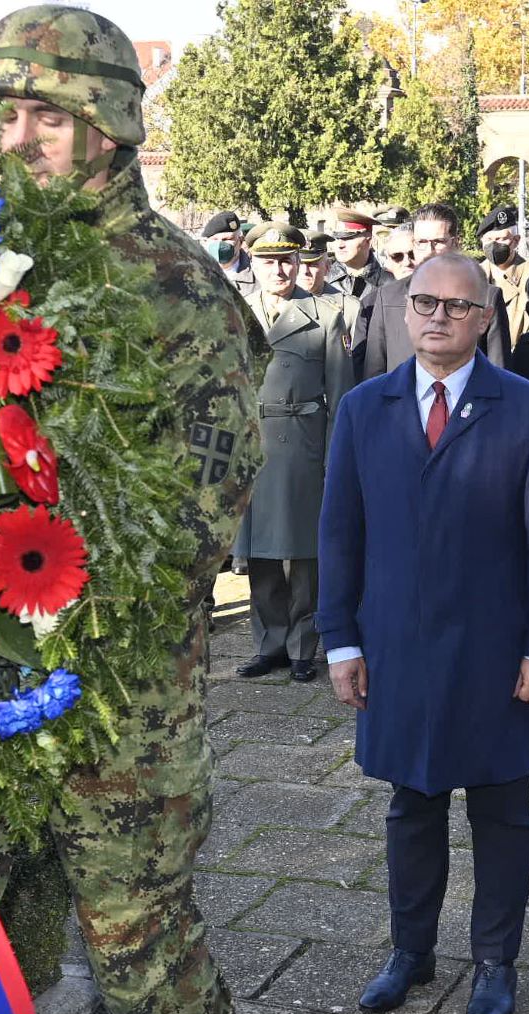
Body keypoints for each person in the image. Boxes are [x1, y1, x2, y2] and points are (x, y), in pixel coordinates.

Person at [0, 12, 265, 1014]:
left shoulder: (176, 286)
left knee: (140, 961)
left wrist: (67, 599)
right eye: (2, 113)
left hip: (121, 692)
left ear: (109, 124)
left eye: (46, 115)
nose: (18, 137)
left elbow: (209, 501)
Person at [319, 250, 529, 1014]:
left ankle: (496, 961)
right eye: (425, 302)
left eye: (457, 306)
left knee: (502, 809)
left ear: (484, 318)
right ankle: (411, 952)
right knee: (411, 805)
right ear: (405, 312)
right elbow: (339, 533)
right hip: (397, 647)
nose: (439, 316)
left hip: (495, 652)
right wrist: (339, 641)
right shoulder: (364, 408)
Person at [230, 222, 352, 684]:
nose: (278, 270)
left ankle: (303, 647)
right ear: (253, 263)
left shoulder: (325, 316)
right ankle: (270, 644)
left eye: (286, 260)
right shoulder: (237, 313)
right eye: (268, 261)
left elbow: (341, 397)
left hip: (303, 444)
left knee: (304, 555)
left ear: (300, 262)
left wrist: (334, 459)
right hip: (251, 446)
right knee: (259, 553)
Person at [354, 204, 511, 378]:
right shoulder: (387, 298)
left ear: (456, 242)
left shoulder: (488, 297)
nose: (429, 251)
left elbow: (499, 375)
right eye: (422, 242)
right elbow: (374, 375)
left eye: (438, 242)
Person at [478, 205, 529, 347]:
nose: (494, 244)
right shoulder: (472, 276)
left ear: (516, 241)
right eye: (489, 239)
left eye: (501, 239)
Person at [327, 207, 389, 300]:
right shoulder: (323, 280)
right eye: (337, 238)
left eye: (348, 238)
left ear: (369, 241)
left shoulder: (389, 283)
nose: (340, 245)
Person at [200, 210, 254, 297]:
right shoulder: (195, 272)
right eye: (215, 239)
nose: (220, 244)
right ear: (205, 243)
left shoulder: (258, 272)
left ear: (240, 241)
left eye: (227, 239)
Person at [299, 231, 336, 296]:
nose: (305, 271)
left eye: (313, 264)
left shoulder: (343, 301)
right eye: (299, 263)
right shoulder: (281, 300)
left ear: (327, 267)